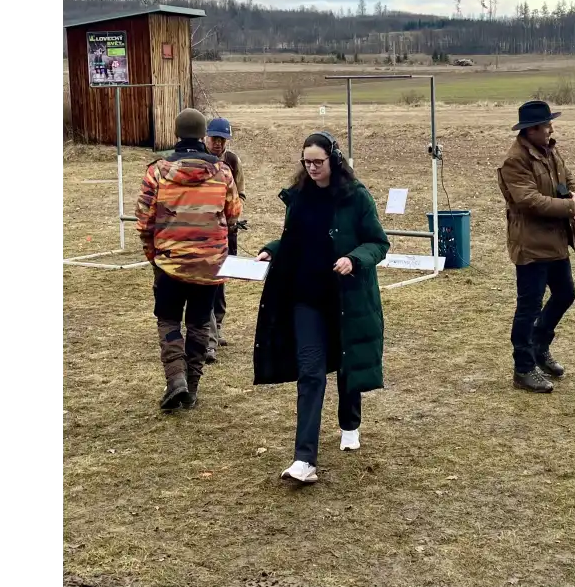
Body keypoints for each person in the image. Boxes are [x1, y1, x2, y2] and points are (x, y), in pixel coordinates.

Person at [251, 132, 390, 484]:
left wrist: (354, 259)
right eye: (307, 162)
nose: (312, 168)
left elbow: (378, 242)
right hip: (306, 298)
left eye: (318, 162)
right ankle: (304, 460)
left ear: (334, 160)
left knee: (347, 363)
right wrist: (273, 249)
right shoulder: (298, 196)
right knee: (310, 372)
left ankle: (350, 423)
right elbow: (296, 239)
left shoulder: (356, 197)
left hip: (346, 297)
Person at [134, 108, 242, 411]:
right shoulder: (223, 172)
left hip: (169, 263)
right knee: (199, 324)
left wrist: (153, 256)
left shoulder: (157, 171)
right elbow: (234, 214)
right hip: (209, 266)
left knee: (168, 320)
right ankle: (191, 387)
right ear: (203, 135)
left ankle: (175, 379)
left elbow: (144, 220)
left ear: (177, 133)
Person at [495, 100, 575, 394]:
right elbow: (529, 201)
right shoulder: (515, 161)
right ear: (531, 130)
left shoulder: (549, 149)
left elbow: (567, 177)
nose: (551, 129)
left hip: (556, 239)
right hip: (531, 244)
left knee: (565, 293)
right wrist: (569, 206)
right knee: (529, 307)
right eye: (547, 125)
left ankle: (539, 345)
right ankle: (523, 368)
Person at [204, 116, 246, 364]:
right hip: (204, 232)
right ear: (205, 137)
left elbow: (239, 194)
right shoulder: (199, 160)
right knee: (207, 281)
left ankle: (217, 326)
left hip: (227, 230)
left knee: (221, 279)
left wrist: (232, 220)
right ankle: (207, 333)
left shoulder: (232, 161)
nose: (218, 143)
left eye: (222, 139)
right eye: (214, 138)